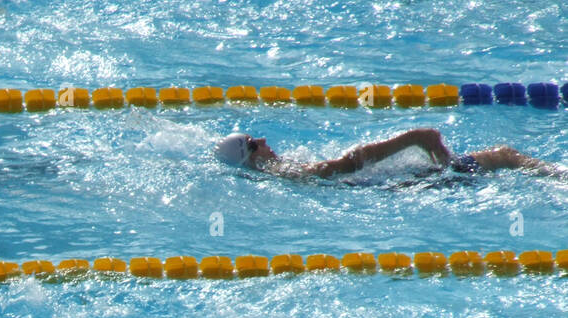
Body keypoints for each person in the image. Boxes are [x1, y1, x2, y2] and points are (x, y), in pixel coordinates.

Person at [215, 127, 566, 178]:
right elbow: (347, 163)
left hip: (397, 185)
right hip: (409, 187)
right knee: (504, 155)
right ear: (250, 159)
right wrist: (412, 138)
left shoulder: (287, 170)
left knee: (503, 157)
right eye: (251, 144)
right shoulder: (295, 174)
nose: (261, 141)